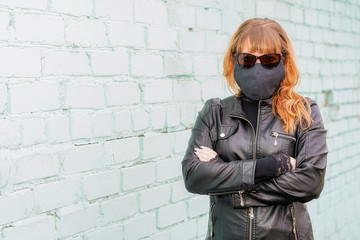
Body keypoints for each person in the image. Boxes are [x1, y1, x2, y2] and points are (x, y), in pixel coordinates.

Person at [181, 17, 328, 240]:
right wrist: (265, 167)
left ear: (284, 60)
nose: (257, 68)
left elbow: (310, 182)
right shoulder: (215, 112)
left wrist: (231, 184)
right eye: (248, 59)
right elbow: (193, 176)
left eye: (269, 59)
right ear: (235, 60)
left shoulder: (304, 112)